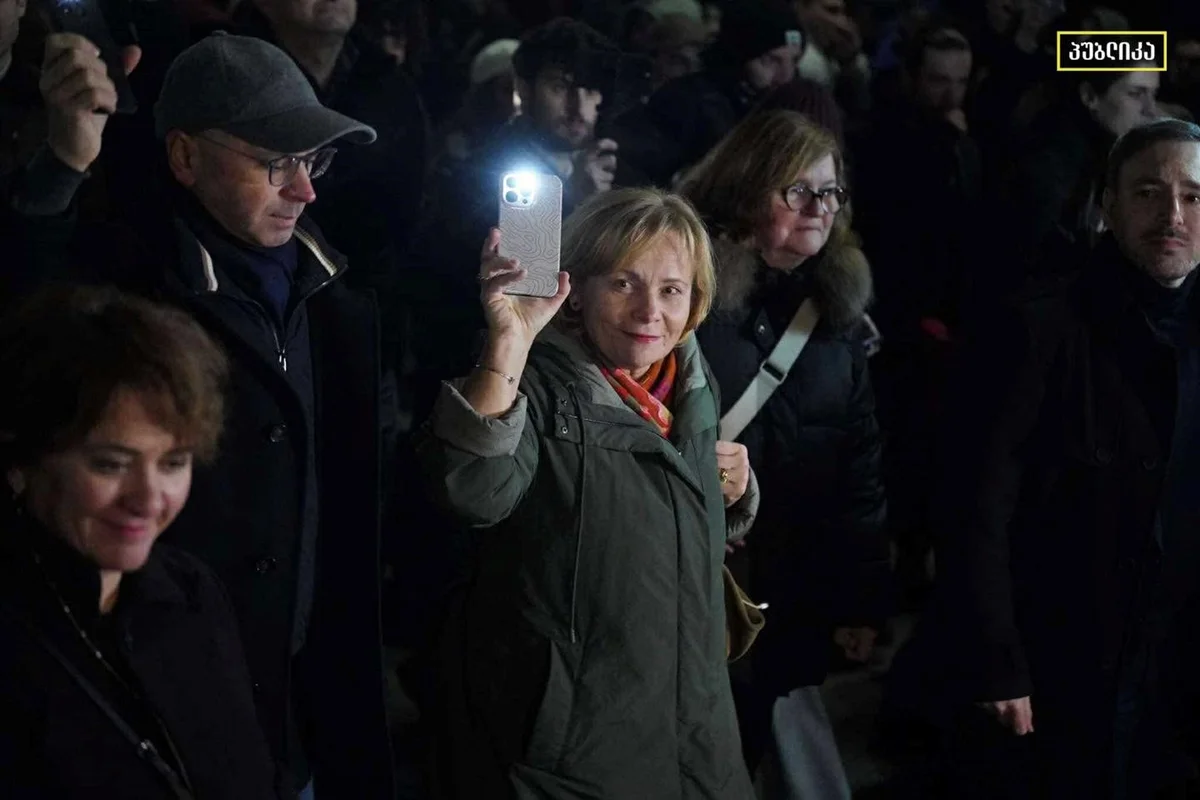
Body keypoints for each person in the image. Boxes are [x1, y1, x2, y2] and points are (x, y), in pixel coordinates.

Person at [4, 32, 396, 798]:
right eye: (274, 161)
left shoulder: (341, 305)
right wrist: (62, 168)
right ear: (185, 159)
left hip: (307, 714)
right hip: (161, 704)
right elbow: (23, 315)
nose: (304, 189)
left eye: (313, 161)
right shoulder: (120, 287)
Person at [418, 187, 758, 799]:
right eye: (623, 283)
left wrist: (728, 494)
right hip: (578, 756)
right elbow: (471, 493)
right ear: (576, 290)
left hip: (701, 739)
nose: (650, 310)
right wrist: (508, 343)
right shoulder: (533, 385)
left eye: (672, 289)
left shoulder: (690, 384)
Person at [937, 118, 1200, 799]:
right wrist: (998, 660)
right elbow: (979, 506)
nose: (1173, 215)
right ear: (1108, 206)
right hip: (1066, 647)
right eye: (1149, 192)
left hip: (1182, 656)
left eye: (1194, 196)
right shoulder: (1039, 327)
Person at [680, 109, 890, 799]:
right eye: (797, 190)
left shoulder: (835, 318)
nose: (820, 208)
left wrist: (860, 599)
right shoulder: (680, 300)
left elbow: (858, 468)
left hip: (792, 586)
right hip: (694, 582)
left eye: (830, 193)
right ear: (745, 188)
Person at [0, 284, 278, 798]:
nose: (149, 499)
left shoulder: (193, 592)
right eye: (111, 464)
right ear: (26, 457)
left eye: (173, 463)